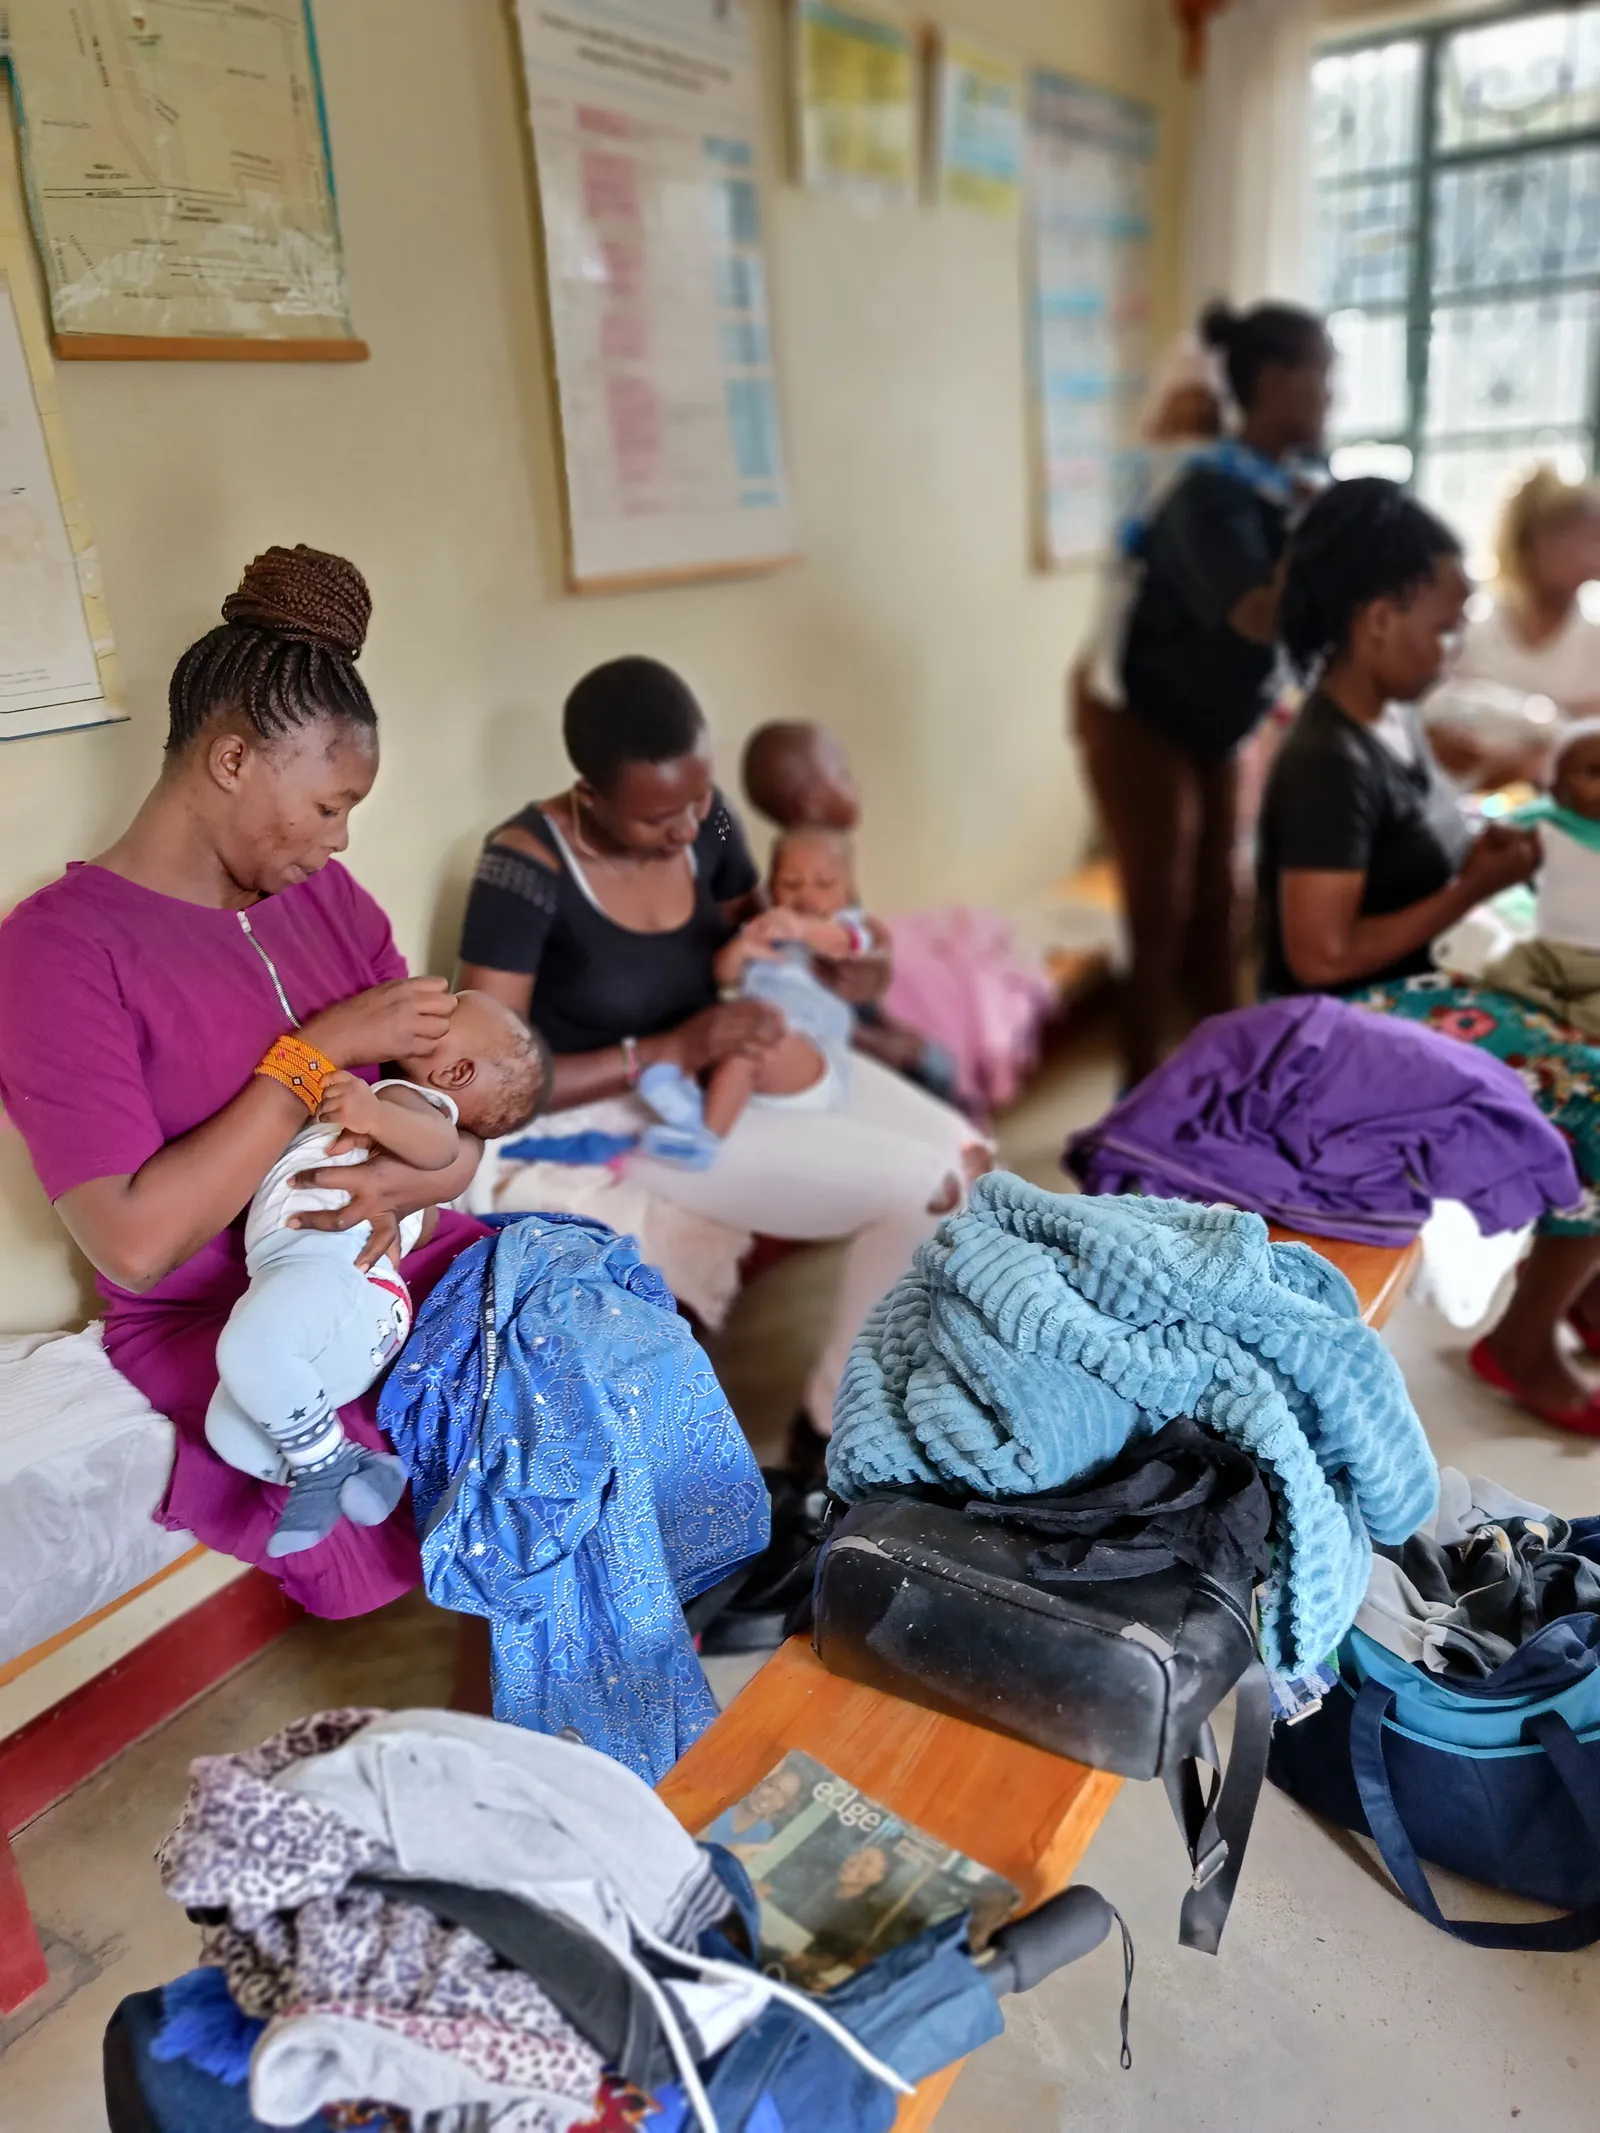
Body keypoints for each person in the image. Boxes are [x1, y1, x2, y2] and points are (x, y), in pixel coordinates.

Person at [0, 545, 489, 1624]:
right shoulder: (58, 950)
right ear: (232, 761)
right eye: (328, 805)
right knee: (512, 1448)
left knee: (598, 1357)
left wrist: (416, 1177)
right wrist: (318, 1049)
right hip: (235, 1318)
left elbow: (455, 1130)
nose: (340, 840)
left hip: (398, 1260)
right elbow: (134, 1243)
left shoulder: (328, 901)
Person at [457, 658, 984, 1467]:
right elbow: (492, 1076)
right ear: (589, 795)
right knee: (925, 1189)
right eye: (657, 817)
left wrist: (843, 967)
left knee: (969, 1157)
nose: (688, 828)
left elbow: (765, 936)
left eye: (697, 800)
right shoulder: (521, 872)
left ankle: (896, 1393)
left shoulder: (715, 822)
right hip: (620, 1104)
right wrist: (669, 1049)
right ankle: (828, 1435)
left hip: (732, 1056)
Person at [1263, 476, 1600, 1436]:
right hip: (1335, 1028)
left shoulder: (1391, 718)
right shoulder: (1327, 759)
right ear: (1378, 620)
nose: (1455, 647)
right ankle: (1524, 1340)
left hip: (1410, 989)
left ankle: (1578, 1285)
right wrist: (1470, 887)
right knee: (1597, 1087)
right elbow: (1319, 955)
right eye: (1444, 626)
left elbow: (1416, 849)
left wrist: (1497, 842)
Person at [1080, 298, 1333, 1087]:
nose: (1332, 397)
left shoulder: (1287, 487)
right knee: (1161, 908)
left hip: (1216, 720)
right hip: (1138, 716)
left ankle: (1224, 1083)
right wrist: (1329, 542)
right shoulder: (1210, 494)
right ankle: (1138, 1095)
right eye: (1322, 377)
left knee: (1222, 905)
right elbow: (1260, 615)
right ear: (1275, 381)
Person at [208, 992, 546, 1557]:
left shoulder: (406, 1102)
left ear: (454, 1073)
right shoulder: (406, 1157)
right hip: (339, 1299)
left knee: (249, 1353)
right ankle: (344, 1467)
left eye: (448, 1009)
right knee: (231, 1424)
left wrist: (372, 1113)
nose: (431, 1004)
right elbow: (430, 1198)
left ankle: (324, 1468)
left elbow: (441, 1146)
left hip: (333, 1268)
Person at [740, 721, 960, 1106]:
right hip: (834, 1033)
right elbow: (809, 994)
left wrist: (889, 1021)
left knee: (939, 1061)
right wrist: (881, 1043)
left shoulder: (830, 864)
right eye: (843, 774)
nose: (854, 785)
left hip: (861, 1018)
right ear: (811, 801)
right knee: (937, 1069)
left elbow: (861, 963)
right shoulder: (795, 898)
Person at [638, 827, 868, 1165]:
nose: (806, 895)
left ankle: (705, 1141)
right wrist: (741, 949)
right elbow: (724, 976)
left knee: (750, 1049)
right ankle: (683, 1102)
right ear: (771, 890)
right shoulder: (765, 928)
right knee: (711, 1029)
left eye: (824, 884)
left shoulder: (847, 929)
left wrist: (801, 929)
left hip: (813, 1059)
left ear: (848, 891)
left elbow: (846, 944)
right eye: (791, 884)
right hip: (756, 1034)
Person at [1426, 466, 1600, 784]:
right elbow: (1432, 721)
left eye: (1594, 540)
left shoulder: (1593, 642)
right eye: (1574, 540)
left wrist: (1526, 764)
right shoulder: (1472, 630)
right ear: (1530, 541)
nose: (1590, 557)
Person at [1478, 723, 1600, 1038]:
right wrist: (1500, 836)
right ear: (1557, 790)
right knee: (1501, 974)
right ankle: (1556, 1014)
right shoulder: (1545, 825)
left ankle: (1563, 1015)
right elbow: (1499, 835)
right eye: (1594, 773)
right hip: (1547, 952)